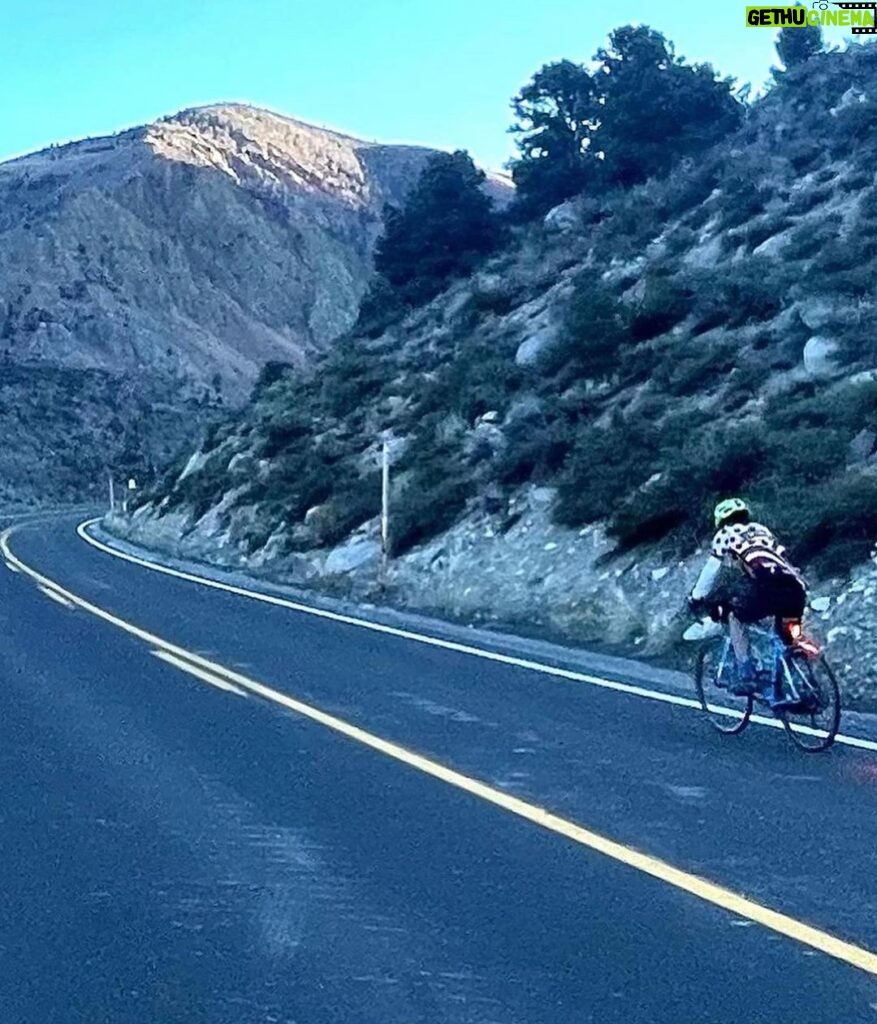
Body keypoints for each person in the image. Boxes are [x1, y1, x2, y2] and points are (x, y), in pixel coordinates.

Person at [688, 498, 807, 700]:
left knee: (736, 616)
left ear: (721, 520)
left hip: (769, 587)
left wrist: (696, 597)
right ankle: (799, 682)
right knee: (785, 637)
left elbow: (711, 570)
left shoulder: (725, 534)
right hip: (796, 588)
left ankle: (746, 673)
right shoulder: (762, 530)